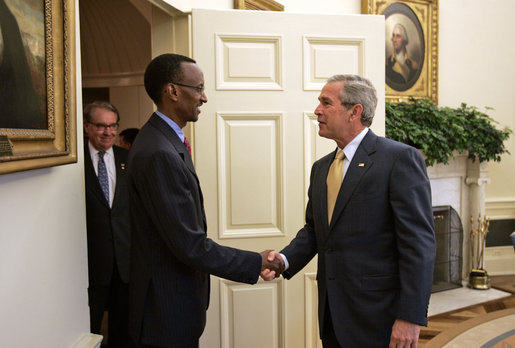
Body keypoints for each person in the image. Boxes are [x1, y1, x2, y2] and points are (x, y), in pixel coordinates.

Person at [263, 75, 436, 347]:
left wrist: (410, 317)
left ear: (354, 111)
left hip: (380, 317)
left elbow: (419, 244)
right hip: (332, 313)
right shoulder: (322, 168)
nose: (317, 110)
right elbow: (315, 231)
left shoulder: (399, 159)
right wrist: (283, 260)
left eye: (326, 103)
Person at [127, 53, 283, 347]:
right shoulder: (159, 151)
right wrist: (255, 262)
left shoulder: (164, 141)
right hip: (165, 310)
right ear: (172, 91)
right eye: (198, 88)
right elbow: (189, 244)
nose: (204, 97)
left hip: (173, 302)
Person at [83, 101, 131, 347]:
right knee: (87, 329)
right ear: (86, 126)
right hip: (89, 263)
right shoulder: (74, 161)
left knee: (122, 329)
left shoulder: (129, 158)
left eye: (113, 126)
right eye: (101, 126)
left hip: (125, 262)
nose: (108, 132)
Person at [386, 23, 419, 88]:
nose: (394, 40)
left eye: (398, 36)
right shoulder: (387, 63)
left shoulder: (413, 65)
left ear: (404, 40)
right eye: (393, 36)